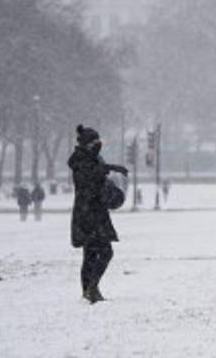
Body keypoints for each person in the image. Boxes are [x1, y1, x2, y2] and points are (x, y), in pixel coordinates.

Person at [69, 124, 127, 303]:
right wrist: (109, 168)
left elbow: (97, 180)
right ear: (87, 144)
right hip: (88, 213)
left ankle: (89, 291)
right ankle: (91, 288)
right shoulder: (80, 160)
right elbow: (88, 180)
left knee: (91, 254)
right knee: (104, 252)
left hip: (94, 211)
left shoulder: (93, 159)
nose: (98, 144)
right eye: (95, 141)